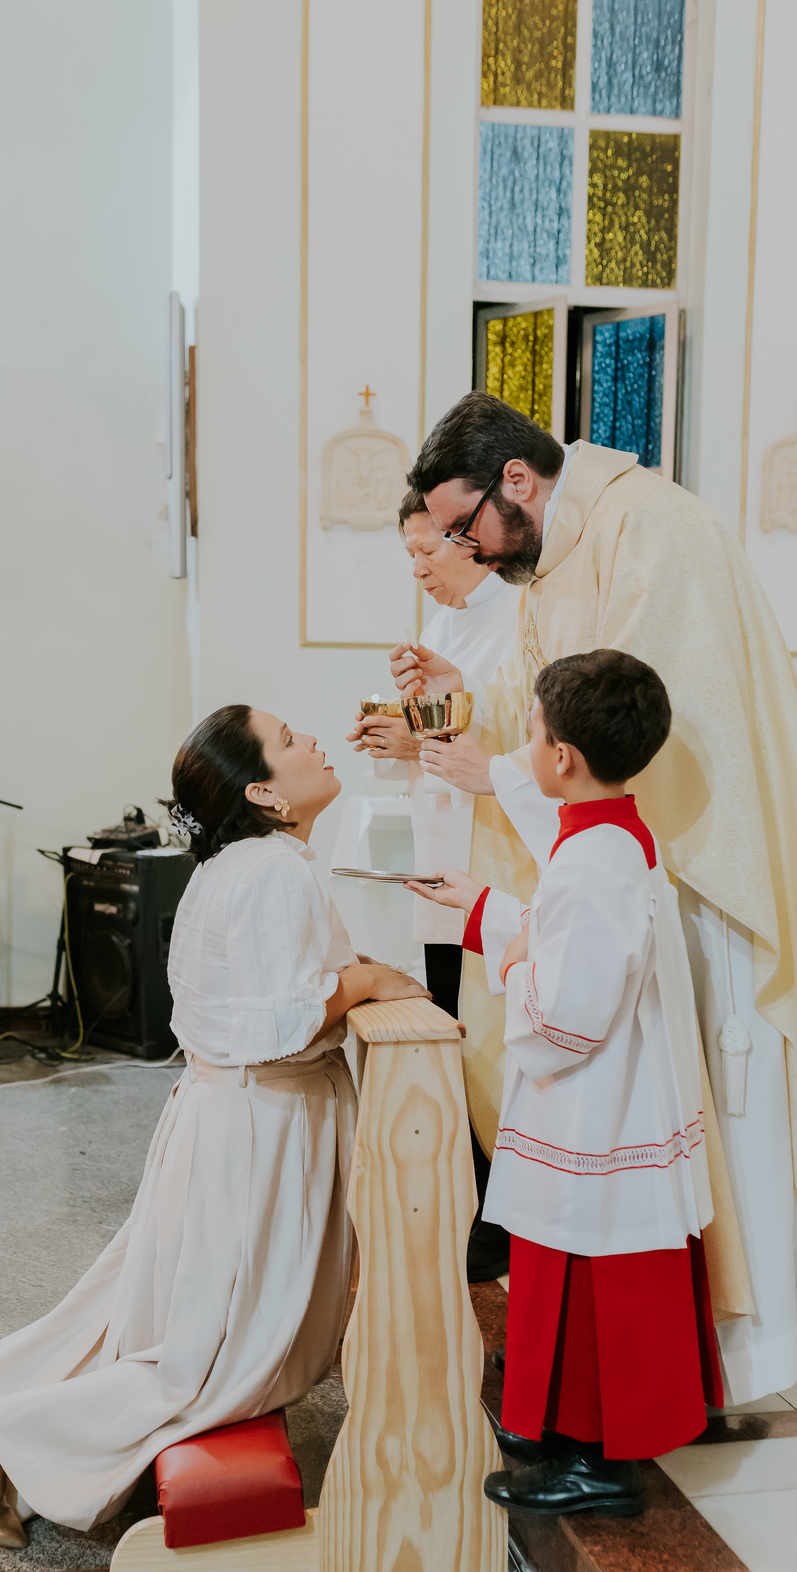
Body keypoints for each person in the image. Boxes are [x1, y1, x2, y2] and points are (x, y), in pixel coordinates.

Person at [396, 391, 797, 1406]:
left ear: (516, 481)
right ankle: (652, 1357)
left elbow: (639, 736)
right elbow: (543, 708)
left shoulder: (654, 531)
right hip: (623, 880)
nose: (466, 549)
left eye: (464, 526)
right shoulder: (558, 551)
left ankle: (726, 1350)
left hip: (695, 878)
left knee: (693, 1124)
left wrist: (501, 776)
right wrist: (465, 699)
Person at [0, 705, 428, 1548]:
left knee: (174, 1330)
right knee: (235, 1361)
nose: (312, 742)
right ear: (263, 791)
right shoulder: (272, 871)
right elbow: (282, 1022)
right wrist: (369, 980)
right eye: (289, 740)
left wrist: (356, 972)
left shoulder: (241, 865)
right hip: (264, 1126)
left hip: (231, 1116)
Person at [411, 651, 722, 1517]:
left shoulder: (592, 861)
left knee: (591, 1269)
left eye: (534, 729)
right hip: (611, 1097)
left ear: (562, 757)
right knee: (570, 1265)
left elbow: (568, 1018)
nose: (528, 741)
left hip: (595, 1108)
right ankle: (558, 1422)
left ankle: (598, 1461)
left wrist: (514, 966)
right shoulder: (611, 837)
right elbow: (571, 939)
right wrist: (485, 910)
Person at [348, 487, 519, 1282]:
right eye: (409, 555)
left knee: (488, 1037)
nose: (417, 568)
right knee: (456, 1030)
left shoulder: (517, 617)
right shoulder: (443, 626)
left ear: (467, 538)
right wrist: (395, 735)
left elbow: (506, 742)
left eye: (425, 551)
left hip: (492, 856)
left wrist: (419, 740)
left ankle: (501, 1216)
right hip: (443, 850)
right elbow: (435, 740)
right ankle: (474, 1199)